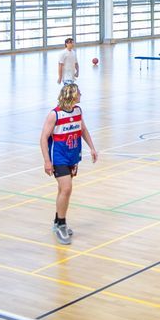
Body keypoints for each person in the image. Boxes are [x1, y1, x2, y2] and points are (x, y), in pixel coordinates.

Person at [40, 83, 99, 244]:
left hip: (73, 156)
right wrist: (47, 161)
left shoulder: (78, 111)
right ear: (72, 95)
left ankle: (57, 222)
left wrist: (92, 148)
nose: (81, 94)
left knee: (63, 190)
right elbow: (43, 137)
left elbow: (83, 130)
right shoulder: (55, 114)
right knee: (66, 188)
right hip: (59, 157)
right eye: (79, 92)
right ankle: (62, 225)